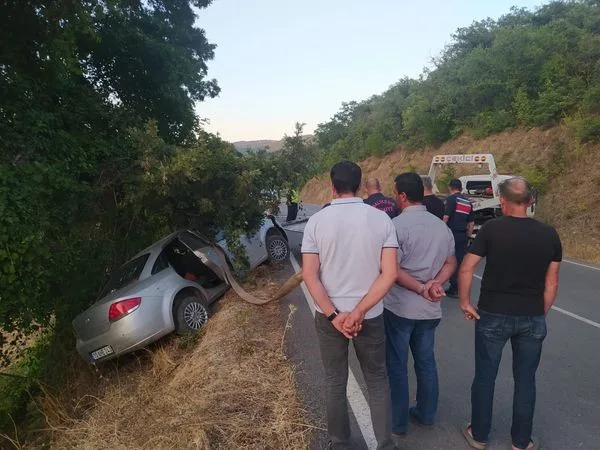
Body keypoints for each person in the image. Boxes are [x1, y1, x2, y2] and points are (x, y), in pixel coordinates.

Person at [458, 177, 561, 450]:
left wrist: (465, 302)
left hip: (492, 313)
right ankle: (520, 442)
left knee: (485, 375)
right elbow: (552, 283)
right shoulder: (549, 234)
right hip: (531, 316)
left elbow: (467, 268)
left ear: (502, 201)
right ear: (530, 201)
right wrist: (540, 312)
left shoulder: (492, 230)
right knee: (526, 380)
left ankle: (479, 435)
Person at [301, 161, 399, 450]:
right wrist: (359, 311)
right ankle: (385, 443)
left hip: (329, 316)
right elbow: (390, 274)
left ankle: (341, 443)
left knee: (335, 380)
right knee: (377, 379)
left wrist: (334, 315)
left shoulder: (317, 222)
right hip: (370, 315)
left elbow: (309, 274)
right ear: (359, 186)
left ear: (332, 187)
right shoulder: (381, 220)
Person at [384, 172, 457, 437]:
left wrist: (420, 287)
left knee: (397, 365)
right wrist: (436, 283)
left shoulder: (396, 227)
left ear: (402, 196)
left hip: (401, 309)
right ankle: (426, 413)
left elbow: (392, 269)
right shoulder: (441, 227)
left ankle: (399, 422)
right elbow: (451, 262)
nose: (394, 197)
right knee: (426, 362)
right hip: (430, 310)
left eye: (395, 193)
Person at [443, 179, 474, 297]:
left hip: (452, 234)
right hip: (463, 235)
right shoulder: (467, 202)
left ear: (451, 187)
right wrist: (468, 236)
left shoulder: (451, 200)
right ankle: (460, 286)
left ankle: (454, 286)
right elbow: (471, 223)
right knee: (460, 261)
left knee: (450, 261)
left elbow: (446, 217)